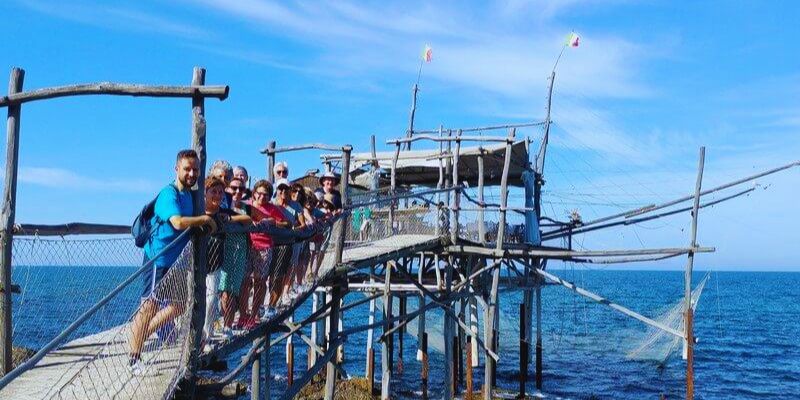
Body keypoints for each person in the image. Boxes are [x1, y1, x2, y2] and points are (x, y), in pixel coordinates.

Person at [128, 149, 217, 375]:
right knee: (149, 306)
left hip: (174, 261)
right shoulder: (169, 194)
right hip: (158, 258)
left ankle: (143, 333)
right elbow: (177, 222)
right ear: (176, 169)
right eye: (187, 168)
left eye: (195, 169)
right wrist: (205, 219)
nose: (191, 173)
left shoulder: (190, 195)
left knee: (179, 303)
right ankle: (134, 359)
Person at [238, 180, 287, 329]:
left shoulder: (272, 209)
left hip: (264, 247)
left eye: (266, 195)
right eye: (259, 193)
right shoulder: (247, 206)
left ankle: (254, 315)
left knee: (260, 281)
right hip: (248, 246)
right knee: (245, 281)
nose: (262, 197)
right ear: (254, 193)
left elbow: (285, 223)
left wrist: (273, 223)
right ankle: (243, 315)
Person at [218, 178, 251, 332]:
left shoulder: (245, 207)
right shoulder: (221, 203)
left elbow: (249, 220)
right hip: (221, 249)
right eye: (234, 188)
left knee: (231, 291)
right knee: (221, 290)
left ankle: (227, 325)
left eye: (241, 189)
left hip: (239, 250)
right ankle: (223, 323)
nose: (238, 191)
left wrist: (231, 217)